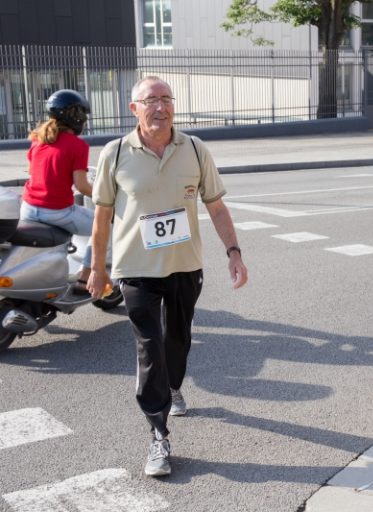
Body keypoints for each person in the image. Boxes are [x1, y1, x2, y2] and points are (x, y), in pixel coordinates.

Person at [87, 76, 248, 477]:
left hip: (185, 266)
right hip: (136, 269)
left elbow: (216, 207)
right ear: (134, 109)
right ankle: (158, 434)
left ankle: (174, 385)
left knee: (177, 340)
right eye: (150, 100)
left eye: (166, 99)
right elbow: (102, 216)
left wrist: (234, 252)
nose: (160, 107)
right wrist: (98, 268)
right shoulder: (115, 153)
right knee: (150, 347)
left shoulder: (194, 148)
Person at [21, 89, 94, 293]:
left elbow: (33, 172)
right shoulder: (78, 146)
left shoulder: (38, 139)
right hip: (56, 212)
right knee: (103, 225)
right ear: (76, 116)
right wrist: (106, 195)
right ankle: (85, 278)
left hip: (28, 208)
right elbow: (82, 186)